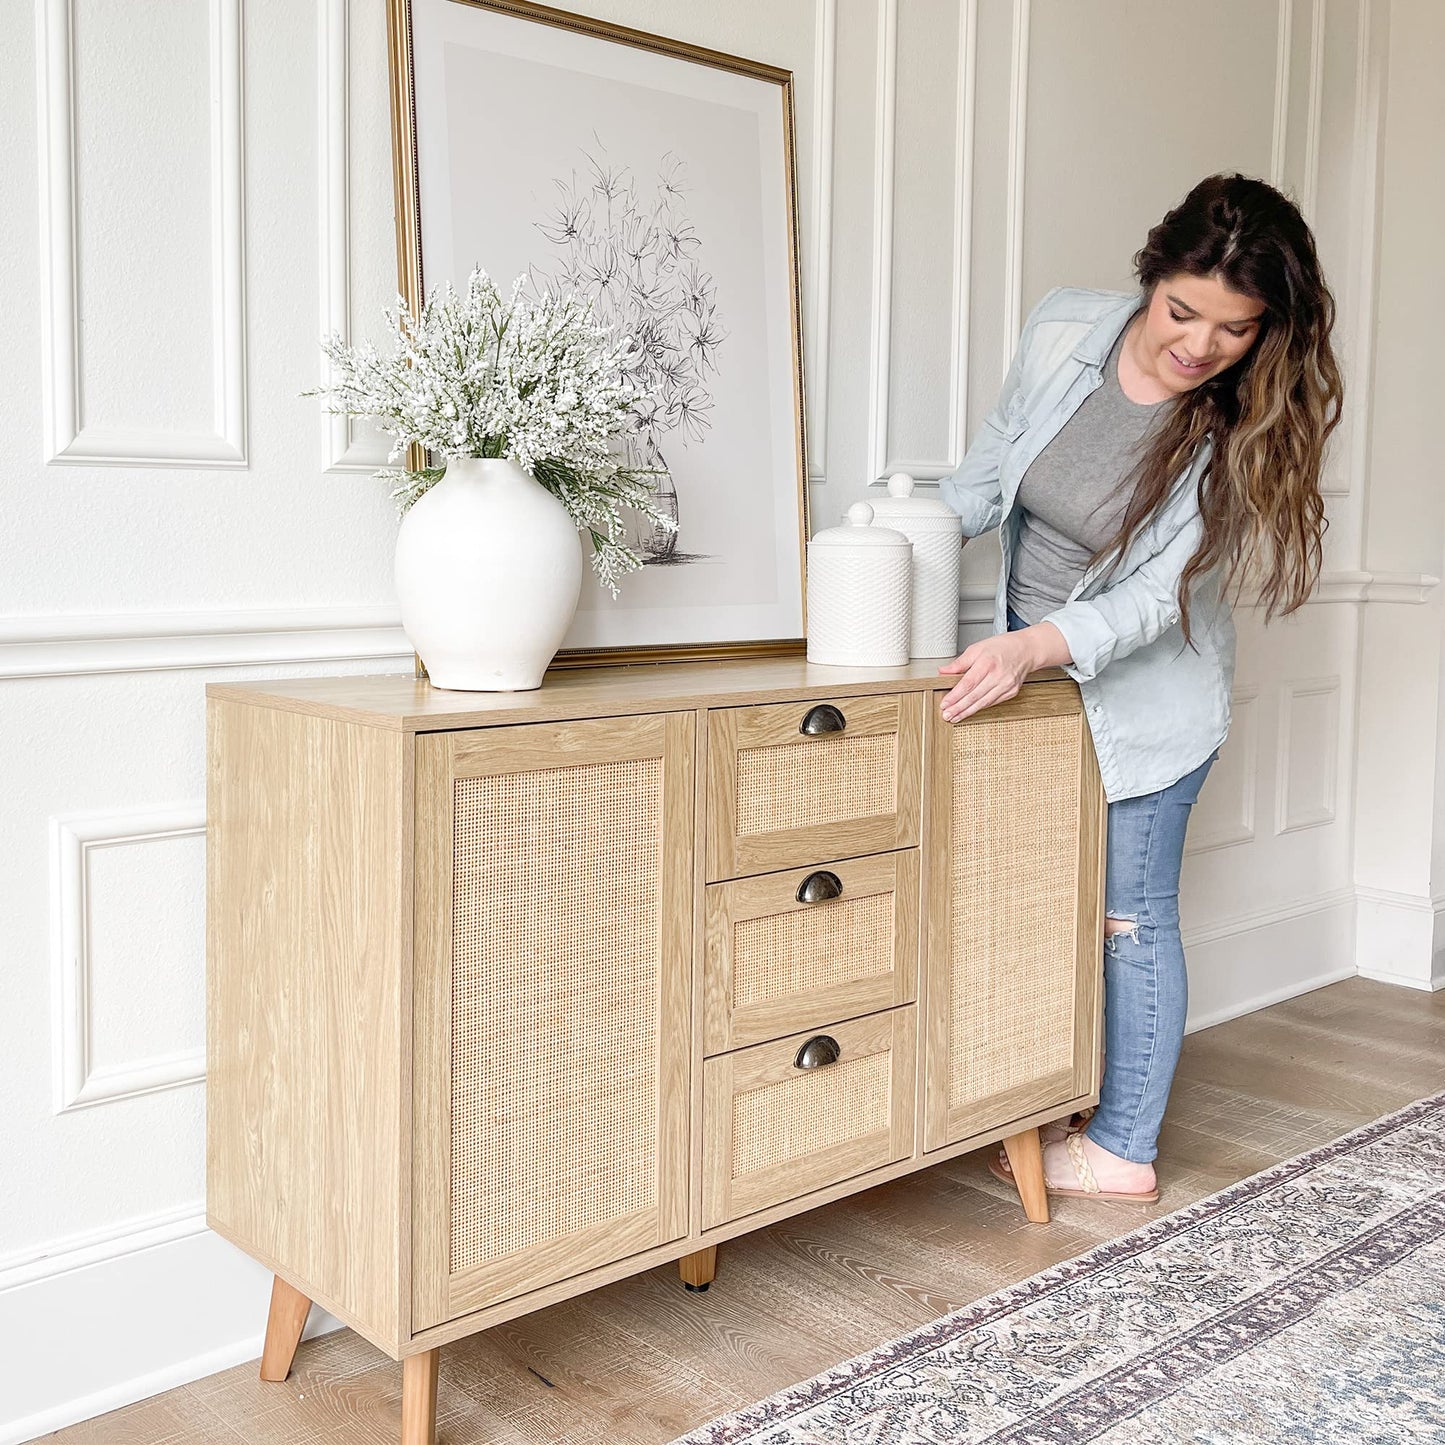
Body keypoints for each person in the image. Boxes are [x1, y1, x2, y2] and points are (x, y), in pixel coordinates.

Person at [937, 173, 1343, 1203]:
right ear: (1148, 274)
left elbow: (1151, 603)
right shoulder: (1063, 331)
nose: (1199, 345)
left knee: (1127, 914)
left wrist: (1035, 650)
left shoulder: (1237, 428)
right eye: (1181, 311)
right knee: (1031, 898)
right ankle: (1058, 1085)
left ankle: (1121, 1144)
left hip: (1144, 702)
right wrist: (883, 542)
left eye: (1234, 327)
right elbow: (988, 474)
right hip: (1023, 674)